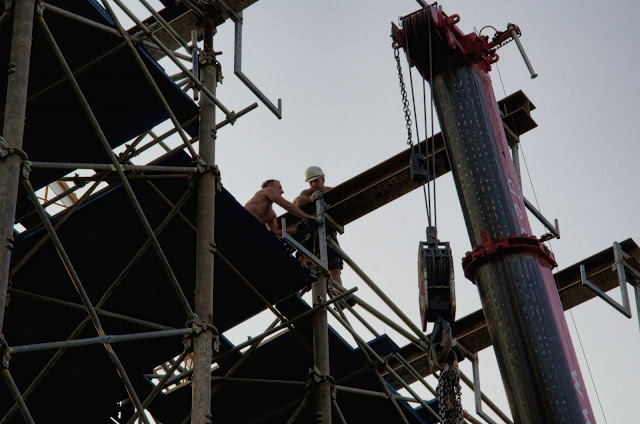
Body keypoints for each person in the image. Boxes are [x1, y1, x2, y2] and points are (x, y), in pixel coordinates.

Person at [293, 166, 344, 285]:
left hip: (328, 232)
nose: (313, 184)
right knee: (303, 259)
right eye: (311, 182)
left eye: (316, 180)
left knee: (334, 268)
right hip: (310, 231)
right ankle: (296, 288)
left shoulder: (332, 191)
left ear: (323, 179)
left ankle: (341, 297)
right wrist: (310, 199)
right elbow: (297, 201)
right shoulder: (307, 193)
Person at [244, 179, 320, 236]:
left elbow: (274, 233)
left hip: (248, 231)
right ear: (271, 186)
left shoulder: (271, 215)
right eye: (279, 187)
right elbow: (287, 205)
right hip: (240, 220)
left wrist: (298, 229)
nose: (282, 191)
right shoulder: (267, 190)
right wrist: (308, 217)